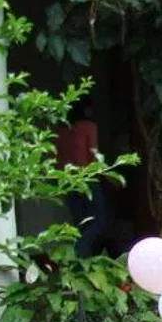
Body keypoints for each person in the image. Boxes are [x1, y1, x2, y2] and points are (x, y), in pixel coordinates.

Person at [53, 101, 107, 254]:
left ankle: (81, 259)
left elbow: (56, 159)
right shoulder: (88, 127)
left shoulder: (62, 131)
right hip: (86, 176)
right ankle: (80, 250)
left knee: (80, 223)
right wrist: (109, 177)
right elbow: (94, 155)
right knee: (98, 220)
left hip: (67, 179)